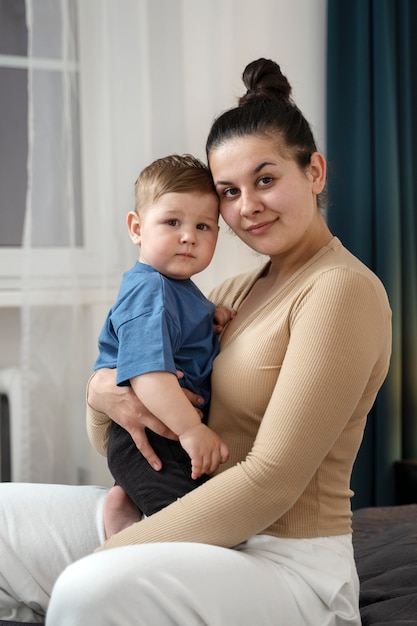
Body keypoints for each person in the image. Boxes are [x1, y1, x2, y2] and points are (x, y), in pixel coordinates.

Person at [0, 58, 391, 626]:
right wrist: (101, 389)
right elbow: (126, 438)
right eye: (228, 192)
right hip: (194, 517)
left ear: (314, 172)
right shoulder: (227, 293)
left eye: (265, 179)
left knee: (89, 588)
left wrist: (111, 555)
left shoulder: (342, 291)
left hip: (286, 561)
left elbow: (270, 482)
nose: (246, 206)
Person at [92, 154, 230, 537]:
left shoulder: (178, 289)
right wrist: (191, 431)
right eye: (173, 222)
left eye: (204, 226)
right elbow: (148, 374)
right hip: (154, 436)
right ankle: (126, 548)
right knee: (191, 526)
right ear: (137, 228)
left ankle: (125, 507)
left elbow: (179, 338)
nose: (189, 236)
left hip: (165, 432)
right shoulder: (149, 289)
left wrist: (209, 319)